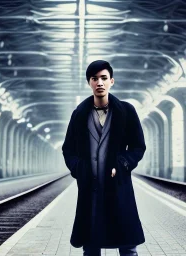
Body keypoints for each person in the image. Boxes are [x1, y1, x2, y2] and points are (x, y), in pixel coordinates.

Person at [62, 60, 146, 256]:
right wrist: (78, 169)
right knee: (91, 245)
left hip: (118, 185)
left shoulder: (127, 111)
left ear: (112, 81)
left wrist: (123, 163)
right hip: (90, 186)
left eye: (103, 78)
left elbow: (138, 146)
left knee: (127, 243)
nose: (99, 82)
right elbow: (68, 149)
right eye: (94, 79)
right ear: (89, 83)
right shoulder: (79, 115)